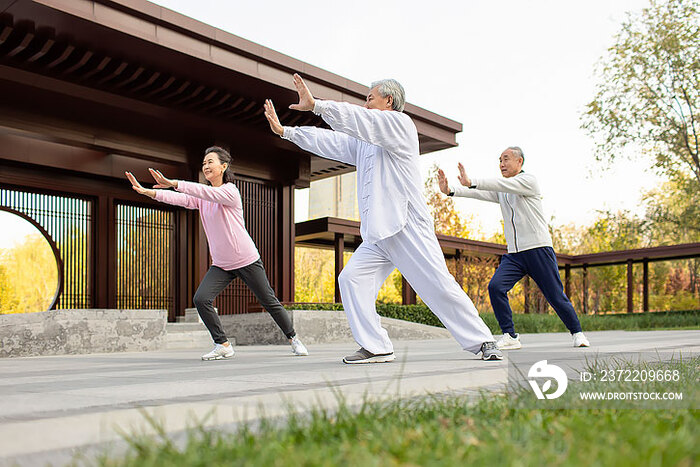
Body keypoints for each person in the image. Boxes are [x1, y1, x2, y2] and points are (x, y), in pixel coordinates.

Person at [263, 73, 502, 362]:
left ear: (389, 100)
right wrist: (287, 132)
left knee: (437, 284)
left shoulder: (400, 124)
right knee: (351, 279)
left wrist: (317, 106)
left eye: (369, 98)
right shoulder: (365, 142)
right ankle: (376, 346)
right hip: (378, 231)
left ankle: (483, 340)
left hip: (406, 224)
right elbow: (333, 141)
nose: (365, 104)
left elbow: (364, 122)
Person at [125, 146, 309, 360]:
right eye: (204, 163)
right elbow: (182, 199)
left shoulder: (230, 191)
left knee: (269, 301)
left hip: (246, 259)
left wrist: (175, 183)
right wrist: (150, 192)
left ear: (224, 166)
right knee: (201, 299)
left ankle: (293, 338)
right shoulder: (204, 197)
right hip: (222, 263)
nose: (206, 166)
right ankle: (222, 344)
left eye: (210, 161)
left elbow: (205, 192)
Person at [437, 147, 590, 349]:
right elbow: (481, 193)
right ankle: (510, 336)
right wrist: (451, 191)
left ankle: (577, 333)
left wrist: (472, 180)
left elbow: (493, 184)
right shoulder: (504, 190)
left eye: (506, 159)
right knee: (496, 287)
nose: (501, 164)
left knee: (554, 295)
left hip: (538, 249)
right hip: (515, 254)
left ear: (520, 162)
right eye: (499, 160)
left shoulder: (529, 181)